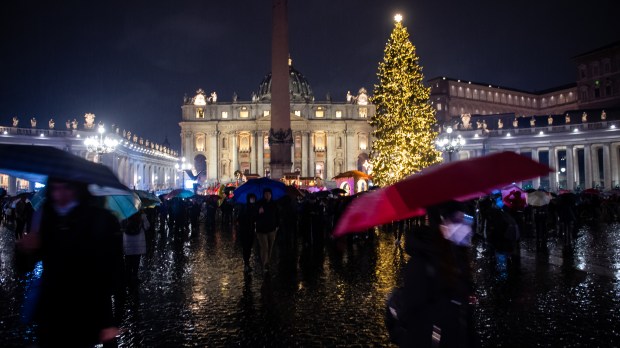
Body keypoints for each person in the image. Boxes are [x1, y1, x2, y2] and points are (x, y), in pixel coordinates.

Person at [15, 177, 122, 347]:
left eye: (67, 188)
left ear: (78, 189)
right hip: (51, 312)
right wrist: (24, 250)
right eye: (55, 189)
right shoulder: (43, 216)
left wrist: (109, 321)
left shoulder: (100, 219)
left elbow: (111, 274)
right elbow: (24, 267)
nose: (60, 195)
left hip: (84, 309)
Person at [397, 201, 479, 348]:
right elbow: (412, 317)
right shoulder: (421, 263)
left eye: (468, 220)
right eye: (459, 220)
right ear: (442, 223)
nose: (466, 227)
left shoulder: (458, 257)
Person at [123, 209, 150, 286]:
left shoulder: (125, 214)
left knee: (128, 261)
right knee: (136, 261)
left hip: (127, 242)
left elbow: (122, 227)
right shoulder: (142, 216)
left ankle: (127, 277)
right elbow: (147, 226)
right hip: (138, 243)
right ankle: (134, 277)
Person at [255, 188, 279, 274]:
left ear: (271, 195)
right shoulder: (258, 203)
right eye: (266, 194)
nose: (267, 195)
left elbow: (277, 215)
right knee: (265, 247)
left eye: (269, 194)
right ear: (263, 195)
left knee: (271, 247)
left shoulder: (274, 204)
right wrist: (258, 211)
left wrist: (277, 225)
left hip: (272, 229)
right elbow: (254, 216)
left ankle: (267, 262)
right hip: (261, 229)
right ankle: (264, 264)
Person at [236, 193, 258, 272]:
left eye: (254, 199)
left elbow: (256, 218)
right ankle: (246, 264)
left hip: (251, 230)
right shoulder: (244, 207)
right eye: (251, 198)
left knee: (249, 248)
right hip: (244, 231)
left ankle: (247, 263)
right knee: (246, 248)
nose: (252, 200)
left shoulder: (255, 207)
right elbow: (239, 219)